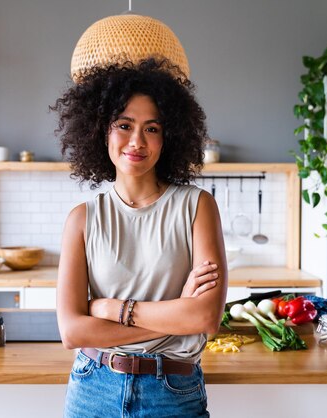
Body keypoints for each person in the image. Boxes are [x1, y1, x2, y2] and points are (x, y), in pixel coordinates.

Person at [53, 58, 227, 418]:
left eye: (152, 128)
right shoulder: (82, 219)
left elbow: (205, 319)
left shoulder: (197, 206)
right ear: (101, 130)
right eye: (124, 125)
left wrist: (109, 310)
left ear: (169, 136)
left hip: (172, 392)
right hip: (93, 389)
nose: (137, 141)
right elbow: (72, 332)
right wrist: (172, 318)